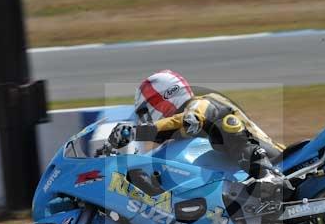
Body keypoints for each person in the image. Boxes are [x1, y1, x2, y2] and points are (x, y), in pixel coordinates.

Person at [108, 70, 288, 197]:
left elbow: (188, 120)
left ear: (164, 98)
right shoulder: (178, 134)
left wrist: (135, 132)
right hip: (238, 178)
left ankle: (267, 175)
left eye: (144, 113)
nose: (145, 119)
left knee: (224, 125)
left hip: (277, 159)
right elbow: (165, 135)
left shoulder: (202, 103)